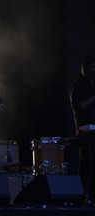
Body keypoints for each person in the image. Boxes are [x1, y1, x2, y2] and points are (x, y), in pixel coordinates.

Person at [69, 54, 95, 205]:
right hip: (85, 130)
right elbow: (79, 107)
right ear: (86, 68)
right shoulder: (78, 85)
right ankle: (81, 195)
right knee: (86, 163)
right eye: (92, 67)